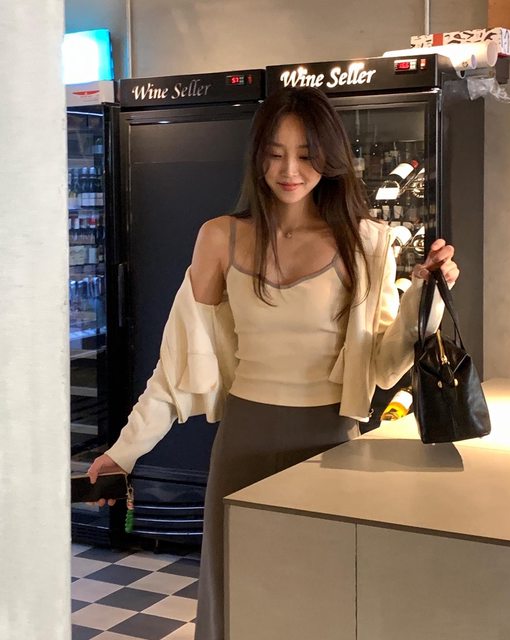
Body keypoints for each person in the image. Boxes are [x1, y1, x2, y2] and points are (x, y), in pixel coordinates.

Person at [87, 87, 459, 640]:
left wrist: (426, 297)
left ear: (330, 158)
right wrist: (123, 452)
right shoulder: (220, 237)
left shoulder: (368, 241)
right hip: (245, 440)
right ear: (257, 156)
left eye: (306, 154)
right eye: (275, 153)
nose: (290, 170)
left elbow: (384, 366)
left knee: (321, 599)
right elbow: (177, 365)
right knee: (237, 594)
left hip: (329, 443)